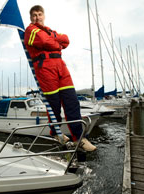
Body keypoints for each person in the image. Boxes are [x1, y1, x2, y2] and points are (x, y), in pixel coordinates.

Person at [24, 5, 96, 151]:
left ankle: (79, 139)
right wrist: (56, 43)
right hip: (45, 68)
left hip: (61, 67)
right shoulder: (30, 30)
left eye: (39, 14)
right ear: (31, 18)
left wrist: (53, 39)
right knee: (54, 105)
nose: (37, 17)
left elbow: (66, 40)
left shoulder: (49, 31)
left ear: (44, 15)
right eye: (34, 15)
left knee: (72, 102)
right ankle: (56, 133)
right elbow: (44, 41)